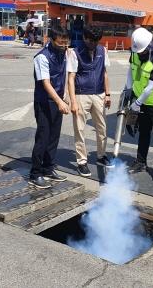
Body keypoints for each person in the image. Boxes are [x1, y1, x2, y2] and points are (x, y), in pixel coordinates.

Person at [126, 27, 153, 183]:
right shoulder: (135, 53)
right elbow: (130, 71)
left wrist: (137, 103)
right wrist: (128, 90)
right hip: (140, 99)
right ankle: (140, 162)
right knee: (144, 131)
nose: (139, 54)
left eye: (142, 52)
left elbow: (151, 87)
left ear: (150, 47)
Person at [67, 26, 113, 177]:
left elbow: (104, 73)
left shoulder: (103, 51)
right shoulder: (74, 52)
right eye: (90, 40)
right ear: (84, 38)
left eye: (96, 41)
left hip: (99, 94)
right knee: (79, 129)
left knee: (102, 128)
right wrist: (73, 101)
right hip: (81, 95)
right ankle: (82, 162)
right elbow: (71, 78)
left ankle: (101, 156)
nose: (93, 43)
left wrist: (107, 94)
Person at [29, 26, 70, 189]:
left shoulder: (63, 53)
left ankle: (48, 167)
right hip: (44, 101)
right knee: (43, 137)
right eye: (61, 42)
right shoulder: (42, 57)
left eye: (66, 42)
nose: (64, 45)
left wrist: (65, 94)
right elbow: (45, 83)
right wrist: (59, 102)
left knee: (54, 137)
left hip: (58, 99)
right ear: (51, 40)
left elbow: (64, 74)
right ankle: (35, 173)